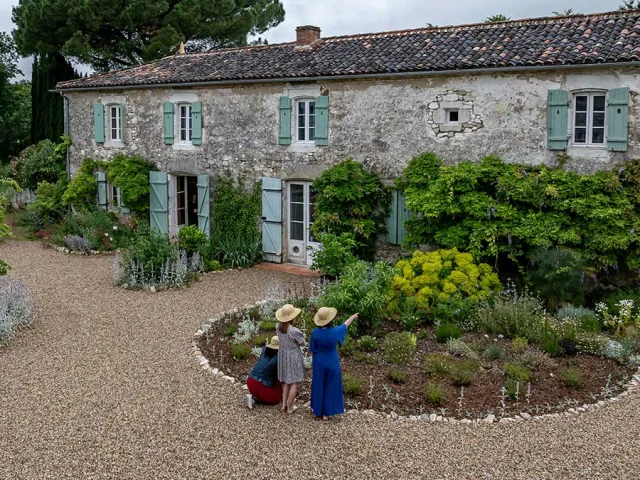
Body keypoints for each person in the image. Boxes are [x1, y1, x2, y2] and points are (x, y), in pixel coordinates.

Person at [309, 307, 358, 420]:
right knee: (331, 385)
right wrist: (353, 316)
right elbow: (345, 325)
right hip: (332, 360)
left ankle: (318, 411)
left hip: (319, 361)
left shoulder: (315, 333)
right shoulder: (335, 331)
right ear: (330, 320)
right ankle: (327, 413)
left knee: (318, 385)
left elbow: (313, 349)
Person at [275, 303, 306, 415]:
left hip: (283, 354)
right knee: (293, 382)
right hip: (293, 356)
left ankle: (283, 405)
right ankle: (290, 407)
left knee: (286, 381)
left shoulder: (277, 326)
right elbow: (302, 343)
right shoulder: (294, 331)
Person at [246, 336, 281, 409]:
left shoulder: (265, 350)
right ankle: (253, 399)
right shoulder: (277, 358)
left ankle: (255, 395)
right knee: (277, 398)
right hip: (260, 383)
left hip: (250, 380)